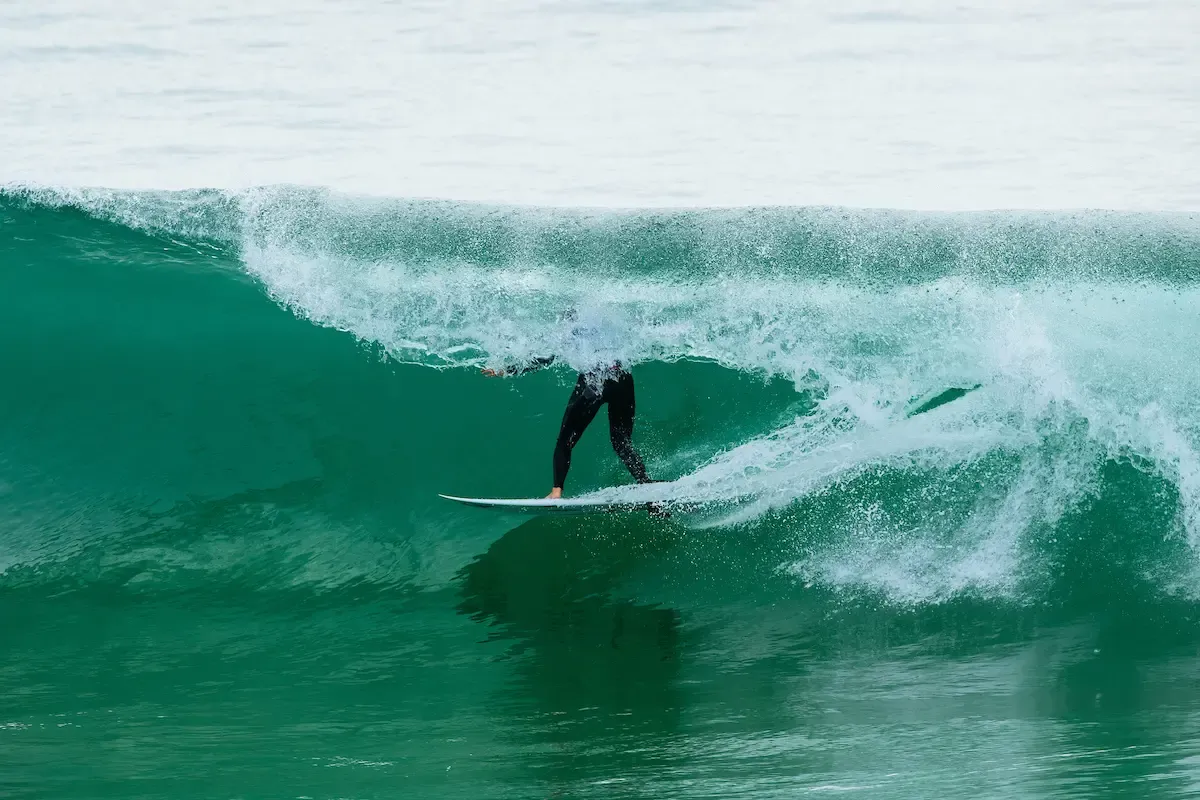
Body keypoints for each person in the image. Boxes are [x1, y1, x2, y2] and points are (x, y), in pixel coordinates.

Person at [483, 314, 653, 498]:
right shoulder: (608, 325)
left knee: (565, 441)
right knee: (621, 443)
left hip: (595, 382)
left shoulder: (570, 331)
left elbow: (544, 359)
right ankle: (645, 482)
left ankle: (556, 491)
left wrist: (506, 369)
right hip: (623, 379)